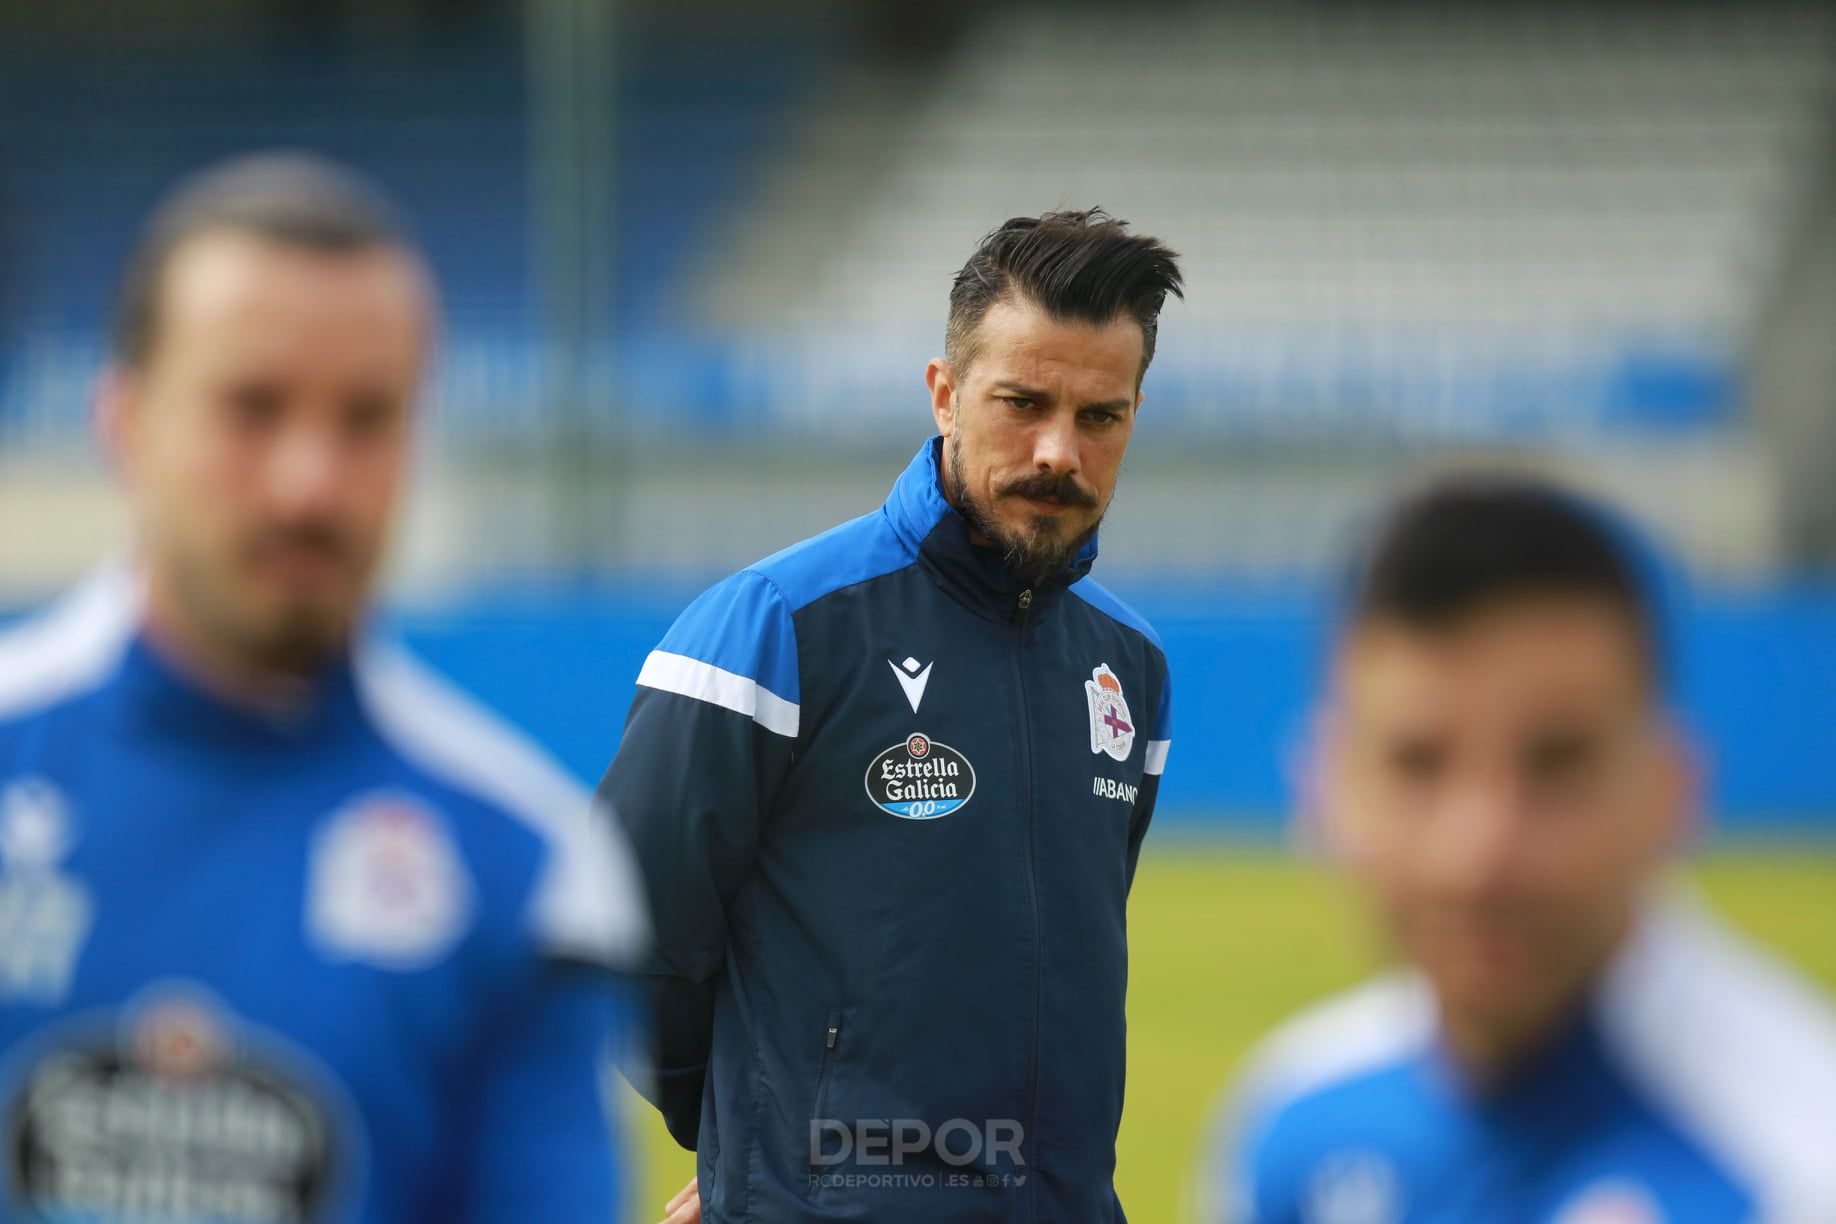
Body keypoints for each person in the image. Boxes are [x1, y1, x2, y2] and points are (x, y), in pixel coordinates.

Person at [0, 153, 648, 1223]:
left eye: (366, 418)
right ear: (121, 423)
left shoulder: (530, 874)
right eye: (251, 408)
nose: (311, 482)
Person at [602, 208, 1182, 1223]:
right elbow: (619, 934)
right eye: (1023, 402)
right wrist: (759, 1146)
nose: (1059, 451)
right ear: (945, 394)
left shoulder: (1128, 665)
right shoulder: (775, 625)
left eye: (1101, 417)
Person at [1201, 476, 1836, 1223]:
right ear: (1324, 791)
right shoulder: (1289, 1125)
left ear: (1671, 792)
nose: (1478, 857)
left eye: (1557, 763)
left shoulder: (1792, 1169)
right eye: (1418, 764)